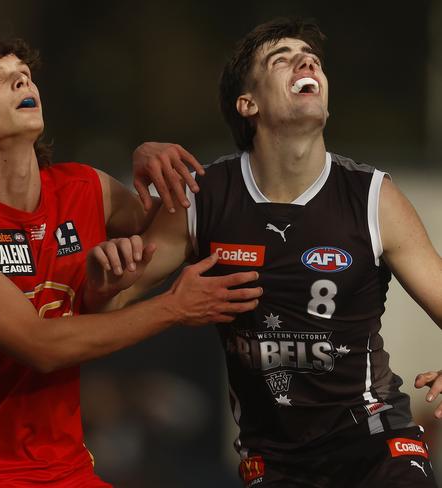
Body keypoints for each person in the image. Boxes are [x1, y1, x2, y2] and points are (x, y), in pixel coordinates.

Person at [0, 24, 263, 488]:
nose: (22, 81)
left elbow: (171, 234)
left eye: (24, 74)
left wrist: (149, 160)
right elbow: (40, 346)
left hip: (61, 471)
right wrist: (174, 307)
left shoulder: (87, 188)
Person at [86, 17, 442, 487]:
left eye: (311, 57)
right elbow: (104, 307)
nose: (306, 61)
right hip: (274, 459)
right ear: (247, 103)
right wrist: (105, 279)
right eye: (282, 59)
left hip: (375, 439)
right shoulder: (203, 197)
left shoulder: (374, 197)